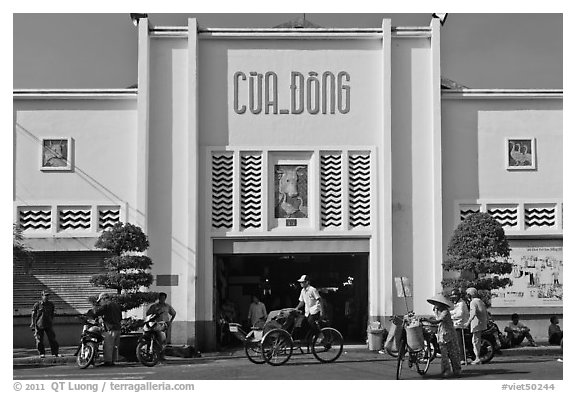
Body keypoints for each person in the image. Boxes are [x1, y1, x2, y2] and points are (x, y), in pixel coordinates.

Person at [423, 294, 461, 378]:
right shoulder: (437, 310)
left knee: (453, 353)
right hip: (441, 334)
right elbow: (436, 319)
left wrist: (427, 320)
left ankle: (457, 370)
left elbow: (438, 320)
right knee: (444, 354)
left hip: (449, 333)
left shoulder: (445, 311)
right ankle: (446, 371)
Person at [93, 293, 122, 366]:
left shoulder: (106, 305)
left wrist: (95, 308)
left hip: (110, 328)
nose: (100, 303)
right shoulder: (116, 305)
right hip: (118, 328)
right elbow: (120, 317)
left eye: (100, 301)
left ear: (104, 299)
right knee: (114, 346)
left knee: (108, 345)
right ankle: (112, 361)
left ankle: (108, 361)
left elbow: (96, 312)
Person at [30, 290, 61, 358]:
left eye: (47, 296)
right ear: (42, 296)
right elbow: (33, 314)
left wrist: (51, 320)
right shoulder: (37, 304)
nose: (46, 297)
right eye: (45, 296)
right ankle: (41, 353)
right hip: (39, 324)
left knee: (52, 339)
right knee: (39, 340)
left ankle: (55, 353)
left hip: (48, 324)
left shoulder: (51, 304)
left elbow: (52, 313)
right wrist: (32, 323)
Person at [463, 287, 488, 365]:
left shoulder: (473, 302)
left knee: (475, 341)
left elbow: (473, 313)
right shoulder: (480, 301)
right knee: (477, 340)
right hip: (481, 323)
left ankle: (477, 358)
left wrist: (468, 322)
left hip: (476, 324)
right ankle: (477, 357)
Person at [449, 288, 469, 365]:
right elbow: (454, 311)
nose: (453, 296)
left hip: (460, 324)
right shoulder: (456, 303)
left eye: (455, 295)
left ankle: (462, 358)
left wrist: (451, 316)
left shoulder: (461, 303)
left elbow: (460, 314)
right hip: (455, 323)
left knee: (458, 342)